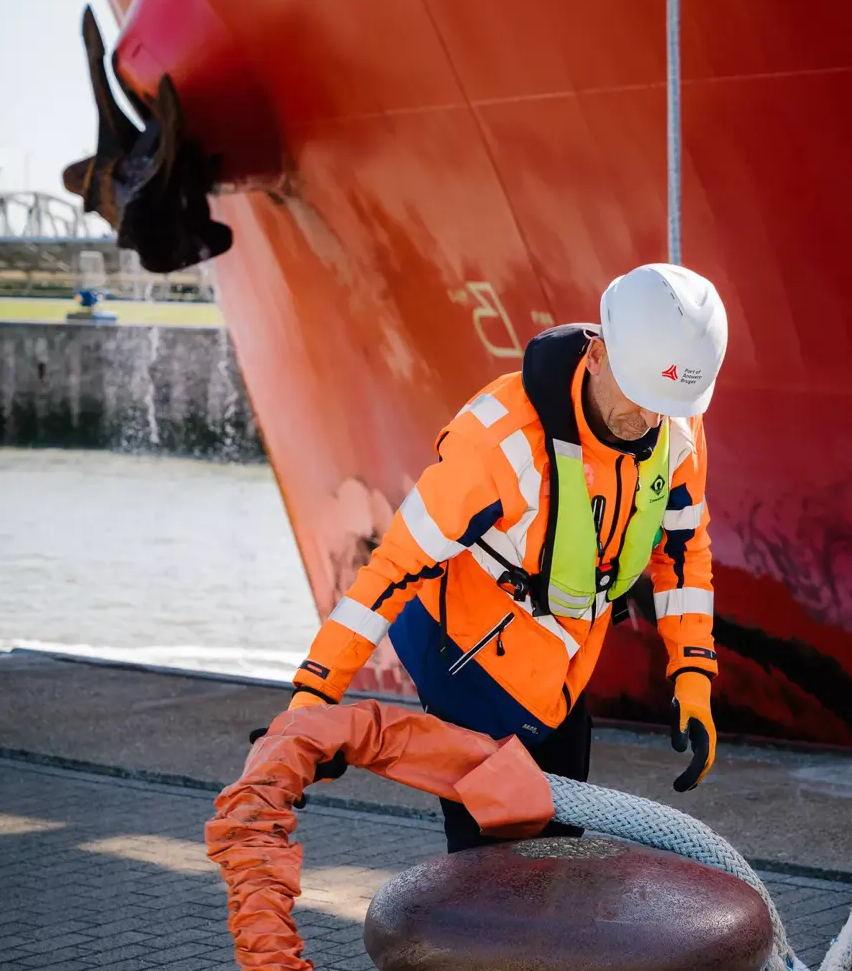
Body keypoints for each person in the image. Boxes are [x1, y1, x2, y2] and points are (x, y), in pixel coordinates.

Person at [290, 262, 728, 850]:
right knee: (490, 887)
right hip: (470, 674)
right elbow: (392, 569)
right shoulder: (499, 443)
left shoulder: (676, 424)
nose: (648, 421)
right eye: (642, 397)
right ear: (596, 356)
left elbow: (684, 555)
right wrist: (311, 701)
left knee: (557, 860)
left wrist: (693, 678)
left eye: (666, 405)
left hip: (563, 679)